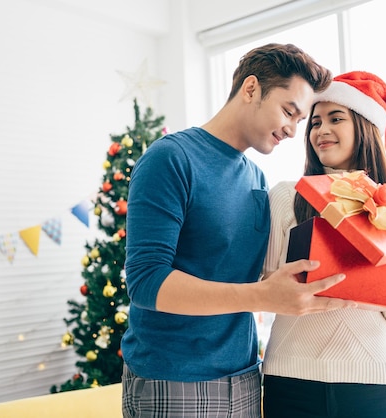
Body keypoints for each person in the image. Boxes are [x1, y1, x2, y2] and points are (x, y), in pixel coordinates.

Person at [120, 43, 358, 418]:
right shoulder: (171, 159)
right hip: (174, 380)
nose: (294, 130)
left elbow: (270, 272)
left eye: (301, 120)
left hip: (246, 377)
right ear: (250, 89)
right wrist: (262, 297)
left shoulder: (256, 178)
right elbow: (146, 282)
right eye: (288, 111)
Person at [261, 71, 386, 418]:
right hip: (290, 377)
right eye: (315, 122)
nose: (321, 130)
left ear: (364, 127)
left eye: (336, 118)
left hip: (373, 380)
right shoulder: (288, 195)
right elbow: (269, 292)